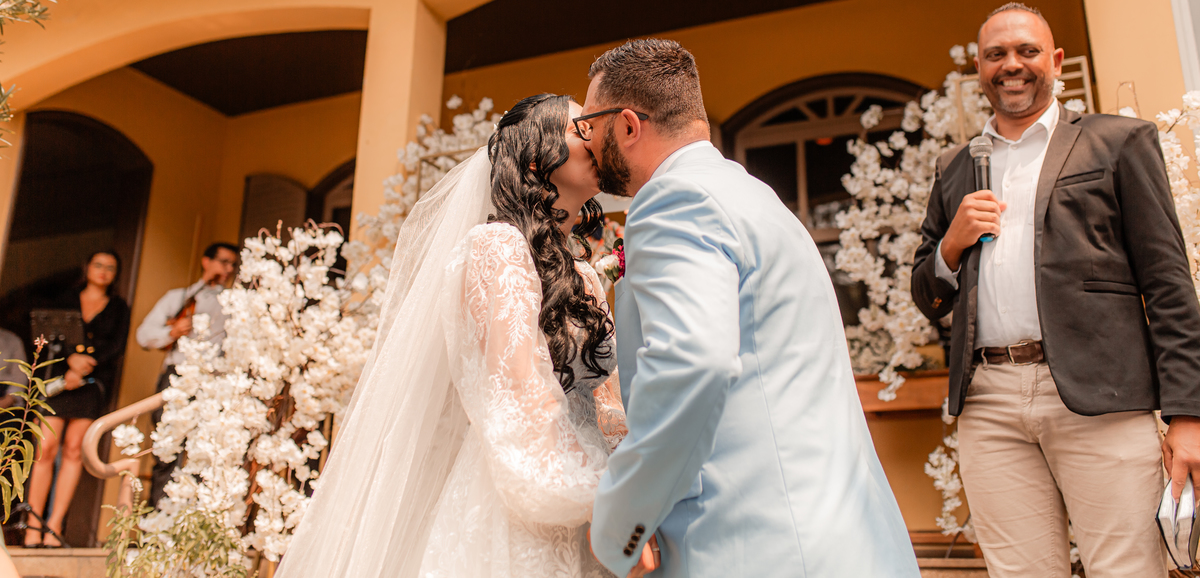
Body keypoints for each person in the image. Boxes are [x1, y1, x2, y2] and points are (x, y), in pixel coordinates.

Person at [581, 39, 919, 578]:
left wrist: (624, 522)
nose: (586, 141)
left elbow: (693, 361)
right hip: (841, 533)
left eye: (588, 125)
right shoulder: (755, 197)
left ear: (626, 126)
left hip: (758, 542)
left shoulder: (673, 202)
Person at [275, 93, 628, 578]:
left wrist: (634, 489)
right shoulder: (497, 248)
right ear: (534, 154)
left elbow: (609, 402)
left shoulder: (585, 277)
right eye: (578, 130)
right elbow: (519, 400)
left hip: (603, 500)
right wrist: (594, 499)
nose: (596, 140)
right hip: (526, 502)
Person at [910, 4, 1200, 576]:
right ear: (979, 66)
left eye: (1026, 51)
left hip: (1104, 400)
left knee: (1125, 568)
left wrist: (1189, 415)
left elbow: (1168, 284)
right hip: (988, 404)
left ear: (1055, 61)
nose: (1011, 65)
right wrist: (951, 243)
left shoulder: (1118, 142)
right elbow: (929, 296)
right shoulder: (954, 167)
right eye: (996, 54)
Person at [25, 250, 130, 547]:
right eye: (98, 265)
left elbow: (116, 346)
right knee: (45, 448)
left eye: (110, 267)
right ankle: (34, 525)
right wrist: (69, 362)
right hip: (59, 381)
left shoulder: (119, 307)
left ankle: (55, 524)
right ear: (87, 268)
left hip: (91, 384)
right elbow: (46, 335)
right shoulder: (65, 298)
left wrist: (85, 365)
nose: (103, 271)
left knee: (74, 450)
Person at [135, 241, 237, 507]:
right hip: (177, 374)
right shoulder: (178, 298)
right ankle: (158, 522)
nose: (228, 269)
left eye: (232, 265)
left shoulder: (234, 302)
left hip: (215, 381)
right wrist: (172, 332)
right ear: (206, 261)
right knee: (167, 452)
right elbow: (144, 336)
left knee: (208, 452)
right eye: (223, 262)